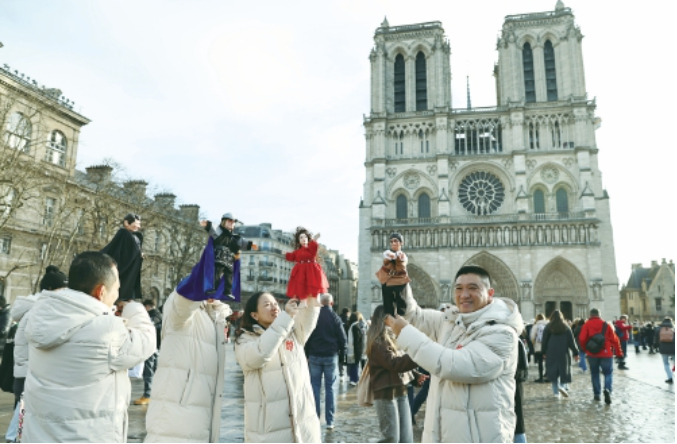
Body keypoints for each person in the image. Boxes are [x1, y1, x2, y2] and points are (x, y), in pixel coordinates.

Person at [22, 251, 156, 442]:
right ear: (101, 292)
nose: (117, 293)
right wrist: (134, 307)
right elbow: (146, 341)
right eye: (116, 288)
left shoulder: (42, 315)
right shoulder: (107, 330)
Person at [385, 265, 524, 443]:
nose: (464, 294)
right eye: (459, 288)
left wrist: (405, 333)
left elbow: (452, 365)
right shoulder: (451, 323)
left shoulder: (503, 333)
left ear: (490, 293)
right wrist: (399, 278)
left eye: (473, 288)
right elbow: (414, 317)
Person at [144, 238, 235, 442]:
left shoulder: (216, 317)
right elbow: (186, 296)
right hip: (174, 421)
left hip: (201, 419)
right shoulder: (180, 307)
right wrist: (208, 267)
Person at [235, 292, 321, 442]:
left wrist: (312, 291)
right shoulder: (244, 340)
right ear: (254, 315)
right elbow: (261, 355)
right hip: (269, 431)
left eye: (275, 304)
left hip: (303, 424)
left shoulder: (293, 333)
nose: (274, 308)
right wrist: (285, 318)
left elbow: (309, 315)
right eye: (267, 305)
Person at [367, 305, 419, 443]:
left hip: (400, 391)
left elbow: (397, 360)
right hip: (386, 394)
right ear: (385, 319)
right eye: (394, 317)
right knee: (391, 439)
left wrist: (415, 376)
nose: (398, 320)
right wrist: (418, 355)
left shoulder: (392, 336)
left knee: (406, 439)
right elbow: (393, 363)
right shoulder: (378, 341)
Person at [304, 293, 346, 430]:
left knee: (314, 387)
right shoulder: (335, 318)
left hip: (315, 355)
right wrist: (341, 356)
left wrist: (307, 354)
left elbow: (307, 336)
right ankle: (330, 420)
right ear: (331, 303)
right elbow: (343, 339)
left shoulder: (313, 317)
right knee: (330, 388)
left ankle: (315, 418)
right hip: (331, 355)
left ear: (320, 303)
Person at [200, 212, 257, 300]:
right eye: (229, 221)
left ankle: (228, 291)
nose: (231, 223)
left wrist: (251, 244)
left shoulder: (235, 238)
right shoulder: (219, 231)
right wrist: (205, 224)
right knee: (217, 274)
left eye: (233, 222)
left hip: (229, 260)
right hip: (219, 257)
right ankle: (212, 288)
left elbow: (243, 242)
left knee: (229, 276)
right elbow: (211, 227)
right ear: (224, 221)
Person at [578, 308, 623, 405]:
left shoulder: (587, 324)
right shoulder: (607, 325)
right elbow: (615, 340)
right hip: (606, 353)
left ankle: (597, 394)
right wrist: (619, 353)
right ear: (600, 315)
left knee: (594, 373)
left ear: (590, 315)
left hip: (592, 354)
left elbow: (581, 338)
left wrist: (586, 349)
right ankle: (607, 389)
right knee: (608, 373)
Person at [100, 213, 144, 300]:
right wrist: (138, 253)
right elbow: (116, 250)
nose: (138, 226)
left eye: (139, 224)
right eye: (136, 223)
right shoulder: (124, 234)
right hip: (124, 270)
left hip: (131, 270)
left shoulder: (135, 236)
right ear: (127, 223)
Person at [542, 310, 579, 398]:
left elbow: (544, 341)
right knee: (564, 371)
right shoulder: (566, 327)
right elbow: (571, 342)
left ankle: (556, 392)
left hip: (551, 351)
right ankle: (562, 386)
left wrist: (543, 352)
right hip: (563, 352)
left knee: (553, 371)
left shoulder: (548, 327)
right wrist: (575, 352)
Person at [133, 299, 163, 406]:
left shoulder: (155, 315)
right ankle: (153, 394)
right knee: (153, 371)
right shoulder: (157, 314)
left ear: (148, 306)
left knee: (149, 371)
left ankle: (147, 395)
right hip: (156, 347)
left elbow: (150, 326)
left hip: (153, 347)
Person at [376, 232, 410, 317]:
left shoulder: (402, 256)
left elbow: (401, 266)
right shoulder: (387, 254)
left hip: (399, 281)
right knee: (388, 306)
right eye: (391, 241)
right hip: (388, 281)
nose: (393, 243)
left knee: (401, 303)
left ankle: (399, 320)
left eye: (396, 241)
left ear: (401, 243)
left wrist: (397, 257)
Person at [347, 311, 367, 386]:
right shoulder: (357, 326)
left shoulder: (352, 326)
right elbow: (358, 340)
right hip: (359, 349)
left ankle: (354, 379)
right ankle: (356, 379)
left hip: (354, 349)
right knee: (358, 364)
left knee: (354, 364)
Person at [654, 317, 675, 384]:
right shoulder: (674, 328)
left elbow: (656, 339)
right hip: (674, 348)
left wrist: (656, 347)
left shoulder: (659, 329)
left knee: (666, 363)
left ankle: (670, 378)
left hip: (663, 347)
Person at [530, 313, 548, 383]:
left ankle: (541, 377)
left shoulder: (536, 326)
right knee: (547, 362)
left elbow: (532, 337)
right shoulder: (548, 325)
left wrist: (534, 343)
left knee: (540, 362)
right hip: (547, 346)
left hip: (539, 346)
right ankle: (547, 375)